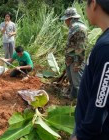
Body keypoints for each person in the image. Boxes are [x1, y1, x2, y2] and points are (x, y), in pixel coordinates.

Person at [71, 0, 109, 140]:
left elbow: (101, 100)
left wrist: (83, 135)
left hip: (93, 133)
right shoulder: (105, 39)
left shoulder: (106, 47)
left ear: (93, 3)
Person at [61, 8, 87, 99]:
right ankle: (72, 96)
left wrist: (78, 64)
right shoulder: (73, 27)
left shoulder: (79, 29)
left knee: (77, 83)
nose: (65, 22)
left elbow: (80, 48)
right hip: (70, 59)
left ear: (70, 19)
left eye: (66, 20)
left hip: (76, 60)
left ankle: (80, 103)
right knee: (72, 80)